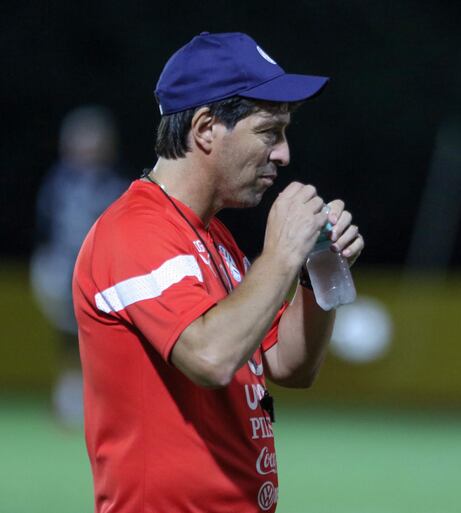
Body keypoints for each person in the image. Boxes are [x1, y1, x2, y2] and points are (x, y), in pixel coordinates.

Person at [72, 32, 364, 513]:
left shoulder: (215, 239)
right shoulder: (132, 232)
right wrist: (279, 255)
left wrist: (316, 273)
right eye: (270, 131)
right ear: (206, 127)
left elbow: (290, 366)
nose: (283, 153)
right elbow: (210, 356)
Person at [31, 105, 127, 428]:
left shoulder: (113, 185)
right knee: (70, 335)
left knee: (103, 336)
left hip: (99, 272)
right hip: (63, 268)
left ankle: (100, 396)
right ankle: (71, 394)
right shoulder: (58, 183)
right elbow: (44, 228)